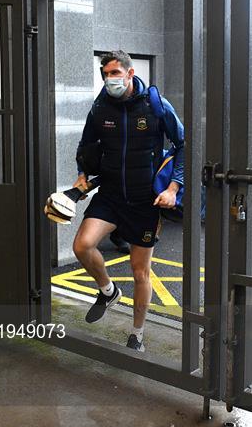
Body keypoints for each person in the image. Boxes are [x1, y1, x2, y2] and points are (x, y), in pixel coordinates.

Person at [72, 50, 184, 352]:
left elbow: (183, 144)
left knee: (140, 272)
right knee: (82, 245)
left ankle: (137, 333)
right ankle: (108, 291)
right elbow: (86, 146)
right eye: (105, 74)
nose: (109, 79)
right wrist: (82, 173)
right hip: (109, 195)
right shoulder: (100, 107)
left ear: (130, 73)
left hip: (145, 201)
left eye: (114, 73)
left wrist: (174, 187)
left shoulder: (156, 105)